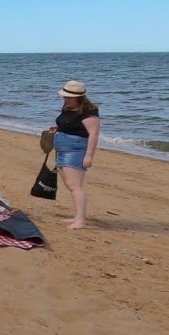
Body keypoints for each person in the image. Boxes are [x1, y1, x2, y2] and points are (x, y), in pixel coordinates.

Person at [48, 80, 101, 229]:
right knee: (69, 184)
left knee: (75, 185)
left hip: (76, 150)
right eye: (65, 97)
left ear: (79, 97)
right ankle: (78, 216)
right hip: (62, 149)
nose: (65, 99)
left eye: (68, 97)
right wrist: (57, 130)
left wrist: (89, 156)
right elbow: (68, 124)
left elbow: (93, 135)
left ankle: (81, 221)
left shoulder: (89, 112)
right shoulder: (67, 108)